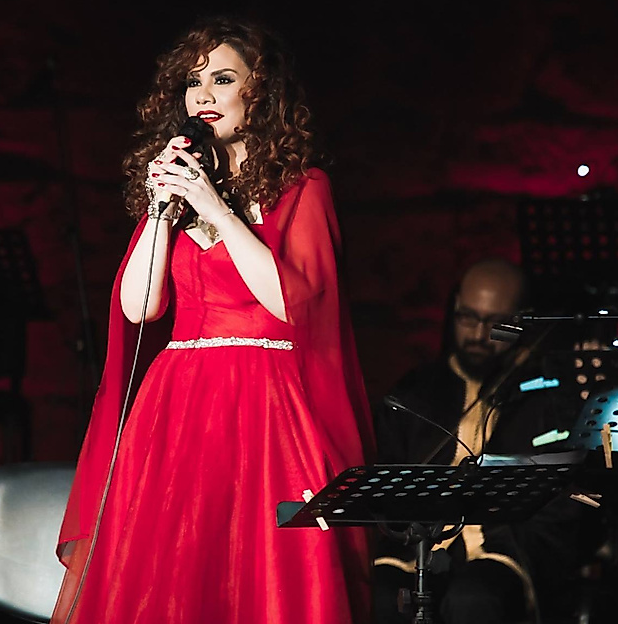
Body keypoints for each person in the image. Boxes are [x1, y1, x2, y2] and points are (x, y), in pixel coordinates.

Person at [50, 17, 376, 624]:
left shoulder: (304, 188)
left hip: (267, 407)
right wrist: (160, 209)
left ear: (262, 92)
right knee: (168, 577)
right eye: (191, 84)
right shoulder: (183, 188)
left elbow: (291, 302)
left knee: (264, 575)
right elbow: (139, 307)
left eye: (222, 79)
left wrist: (215, 210)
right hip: (176, 407)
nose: (200, 97)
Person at [372, 258, 587, 624]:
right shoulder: (415, 392)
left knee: (474, 598)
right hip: (415, 550)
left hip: (507, 551)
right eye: (468, 318)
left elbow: (568, 504)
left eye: (495, 324)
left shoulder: (547, 398)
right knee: (383, 596)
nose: (476, 334)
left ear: (522, 321)